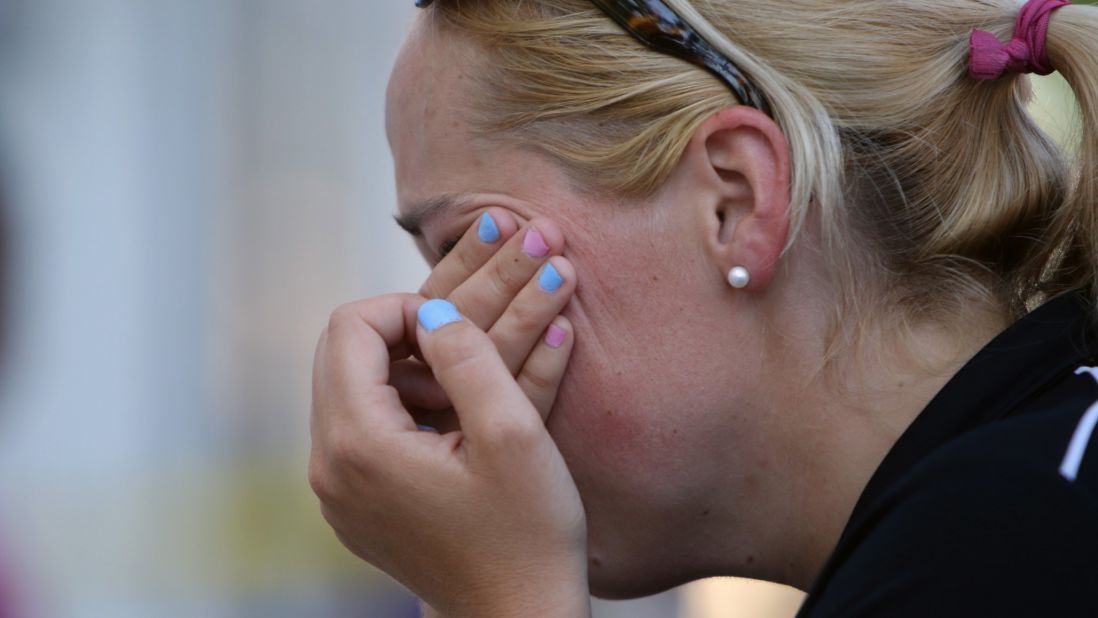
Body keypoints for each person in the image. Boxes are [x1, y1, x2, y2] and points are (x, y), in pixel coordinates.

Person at [308, 0, 1098, 615]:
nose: (438, 353)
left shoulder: (1000, 551)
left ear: (734, 202)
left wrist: (501, 598)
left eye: (464, 248)